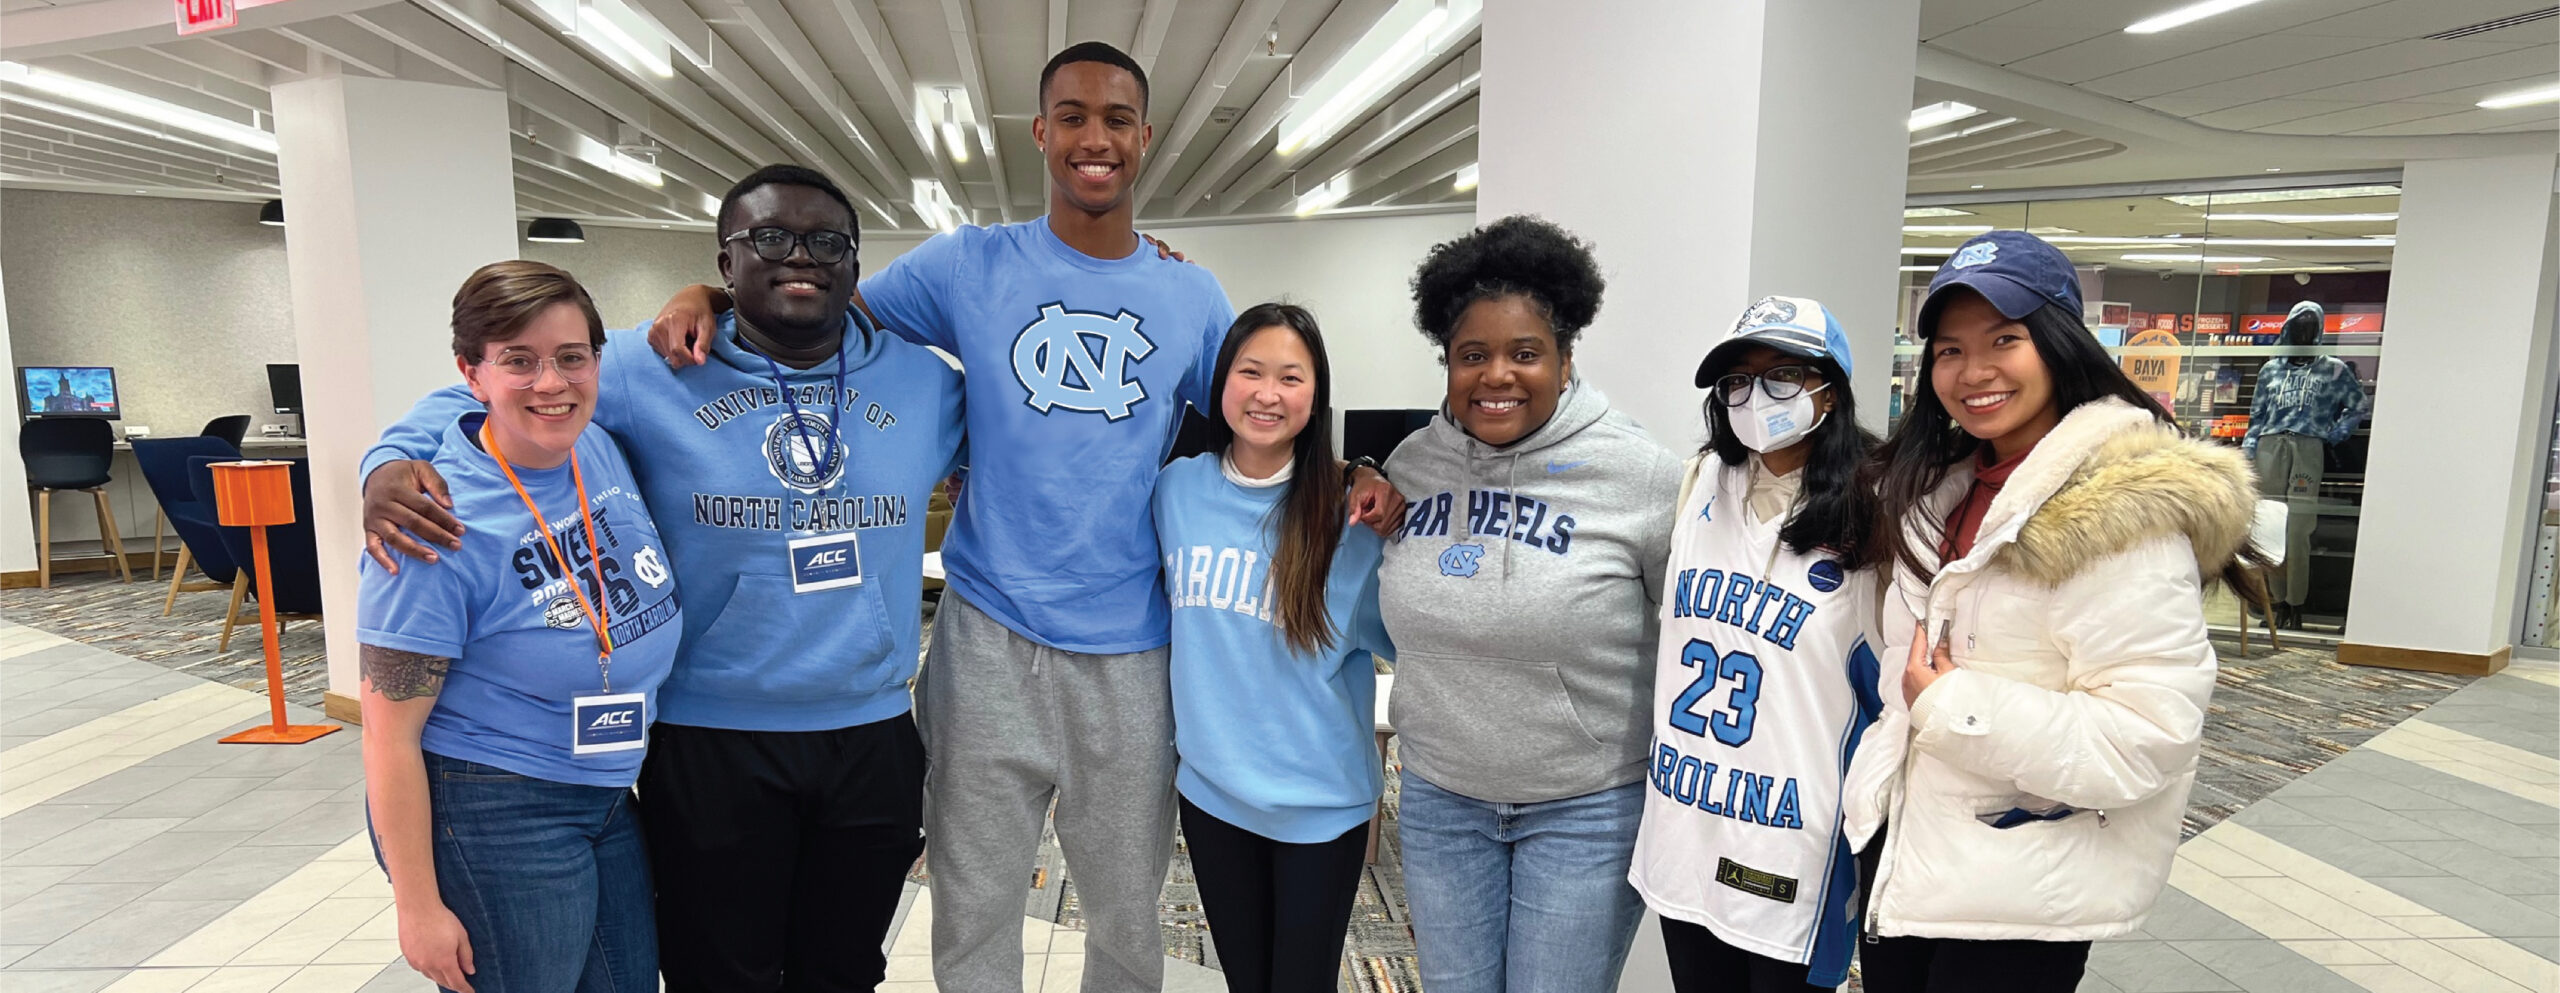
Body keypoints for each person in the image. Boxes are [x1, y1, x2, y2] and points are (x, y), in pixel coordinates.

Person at [642, 43, 1398, 993]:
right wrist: (707, 290)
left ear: (1146, 138)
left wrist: (1357, 466)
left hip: (1132, 652)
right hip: (988, 638)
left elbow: (1266, 413)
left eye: (1117, 119)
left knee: (1127, 915)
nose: (1095, 138)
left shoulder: (1190, 292)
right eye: (1073, 116)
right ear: (1040, 132)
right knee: (974, 903)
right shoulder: (968, 264)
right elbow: (812, 307)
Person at [359, 166, 965, 993]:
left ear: (856, 263)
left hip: (870, 727)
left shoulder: (926, 383)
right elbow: (505, 397)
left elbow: (1041, 436)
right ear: (725, 262)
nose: (802, 258)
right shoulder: (652, 370)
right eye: (771, 239)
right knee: (718, 970)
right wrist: (388, 459)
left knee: (846, 968)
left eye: (828, 243)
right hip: (709, 733)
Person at [1840, 231, 2264, 992]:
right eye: (1948, 349)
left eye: (2006, 339)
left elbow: (2149, 735)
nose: (1973, 372)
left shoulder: (2120, 519)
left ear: (2063, 344)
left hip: (2022, 890)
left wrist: (1954, 706)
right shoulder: (1946, 489)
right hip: (1913, 862)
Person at [1375, 214, 1682, 991]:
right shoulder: (1417, 462)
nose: (1497, 375)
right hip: (1442, 797)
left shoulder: (1639, 473)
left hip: (1584, 808)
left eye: (1524, 353)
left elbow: (1690, 625)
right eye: (1472, 355)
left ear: (1566, 356)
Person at [358, 260, 681, 993]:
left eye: (571, 357)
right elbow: (388, 733)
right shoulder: (431, 524)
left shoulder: (593, 444)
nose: (552, 383)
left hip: (604, 790)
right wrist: (417, 906)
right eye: (519, 361)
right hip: (494, 802)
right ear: (472, 374)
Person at [1628, 295, 1883, 992]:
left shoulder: (1877, 505)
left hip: (1787, 839)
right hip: (1685, 816)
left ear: (1829, 390)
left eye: (1782, 375)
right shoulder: (1703, 479)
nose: (1753, 396)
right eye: (1738, 380)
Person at [1152, 303, 1393, 993]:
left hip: (1320, 803)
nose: (1266, 393)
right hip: (1212, 795)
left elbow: (1409, 641)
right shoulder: (1175, 490)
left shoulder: (1353, 514)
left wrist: (1370, 473)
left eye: (1291, 377)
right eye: (1250, 371)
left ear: (1316, 395)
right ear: (1221, 380)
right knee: (1243, 980)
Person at [2241, 299, 2368, 629]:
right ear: (2288, 327)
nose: (2303, 331)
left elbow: (2356, 406)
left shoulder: (2333, 368)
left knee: (2298, 529)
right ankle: (2275, 601)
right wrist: (2249, 452)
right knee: (2269, 525)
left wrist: (2333, 435)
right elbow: (2256, 415)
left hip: (2306, 447)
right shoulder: (2272, 368)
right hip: (2270, 445)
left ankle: (2295, 603)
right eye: (2298, 325)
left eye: (2310, 326)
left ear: (2319, 331)